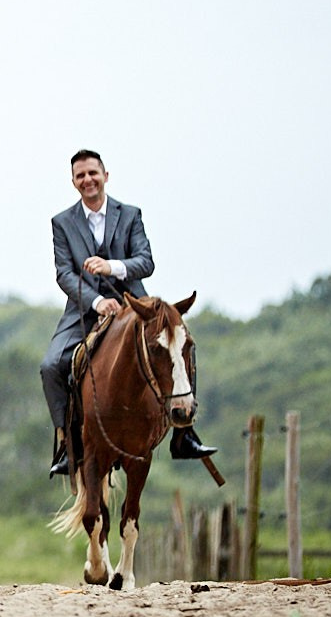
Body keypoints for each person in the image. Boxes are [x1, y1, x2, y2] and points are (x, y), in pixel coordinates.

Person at [40, 149, 215, 477]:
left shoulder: (131, 214)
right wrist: (96, 302)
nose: (87, 179)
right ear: (73, 182)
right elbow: (64, 273)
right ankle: (67, 444)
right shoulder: (61, 223)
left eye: (93, 173)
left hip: (136, 306)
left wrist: (112, 267)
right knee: (50, 365)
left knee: (180, 345)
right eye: (80, 175)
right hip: (85, 310)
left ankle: (184, 433)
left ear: (106, 175)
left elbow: (145, 262)